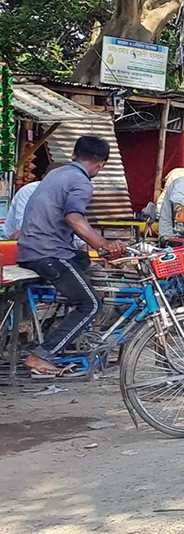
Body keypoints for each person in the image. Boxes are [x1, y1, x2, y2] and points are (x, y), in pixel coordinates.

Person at [19, 136, 127, 376]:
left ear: (75, 154)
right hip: (47, 253)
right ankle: (40, 355)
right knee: (91, 304)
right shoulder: (81, 181)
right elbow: (74, 218)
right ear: (101, 164)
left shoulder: (56, 174)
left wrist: (100, 250)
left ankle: (79, 337)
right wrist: (104, 244)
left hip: (35, 249)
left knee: (85, 263)